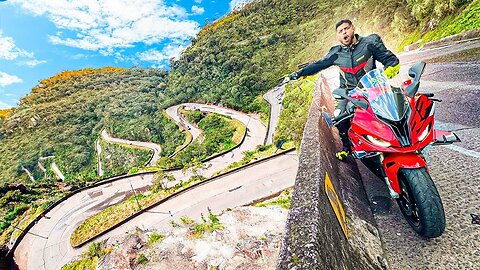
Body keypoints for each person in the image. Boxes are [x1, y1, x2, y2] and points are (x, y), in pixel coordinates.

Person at [289, 19, 400, 160]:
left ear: (353, 29)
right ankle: (347, 148)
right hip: (348, 92)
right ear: (338, 36)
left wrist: (386, 74)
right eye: (340, 32)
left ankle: (400, 136)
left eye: (346, 29)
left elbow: (390, 60)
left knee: (393, 106)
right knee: (339, 116)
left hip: (372, 87)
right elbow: (319, 64)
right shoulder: (336, 53)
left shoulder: (369, 43)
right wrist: (300, 74)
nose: (344, 33)